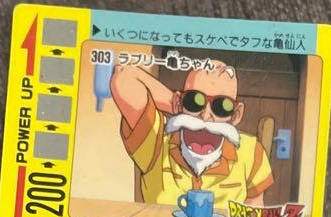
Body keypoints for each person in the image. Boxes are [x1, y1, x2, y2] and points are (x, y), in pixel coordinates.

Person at [109, 56, 273, 207]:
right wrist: (177, 106)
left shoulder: (251, 151)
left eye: (222, 106)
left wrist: (188, 107)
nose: (206, 116)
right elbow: (124, 76)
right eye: (195, 101)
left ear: (236, 114)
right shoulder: (157, 140)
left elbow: (253, 214)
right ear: (178, 102)